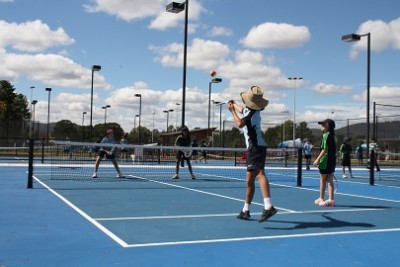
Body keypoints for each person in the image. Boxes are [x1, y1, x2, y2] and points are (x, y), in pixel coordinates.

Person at [228, 85, 277, 222]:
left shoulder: (249, 115)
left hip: (255, 147)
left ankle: (268, 207)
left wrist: (232, 111)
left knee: (260, 174)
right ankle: (245, 210)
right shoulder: (251, 110)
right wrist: (234, 104)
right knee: (249, 181)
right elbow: (242, 109)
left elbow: (239, 123)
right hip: (256, 147)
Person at [313, 119, 336, 207]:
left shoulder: (326, 135)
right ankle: (331, 200)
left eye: (323, 124)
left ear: (328, 126)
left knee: (322, 181)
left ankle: (322, 199)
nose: (321, 125)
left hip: (325, 161)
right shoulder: (331, 135)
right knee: (329, 180)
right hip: (331, 160)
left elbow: (324, 149)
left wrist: (317, 159)